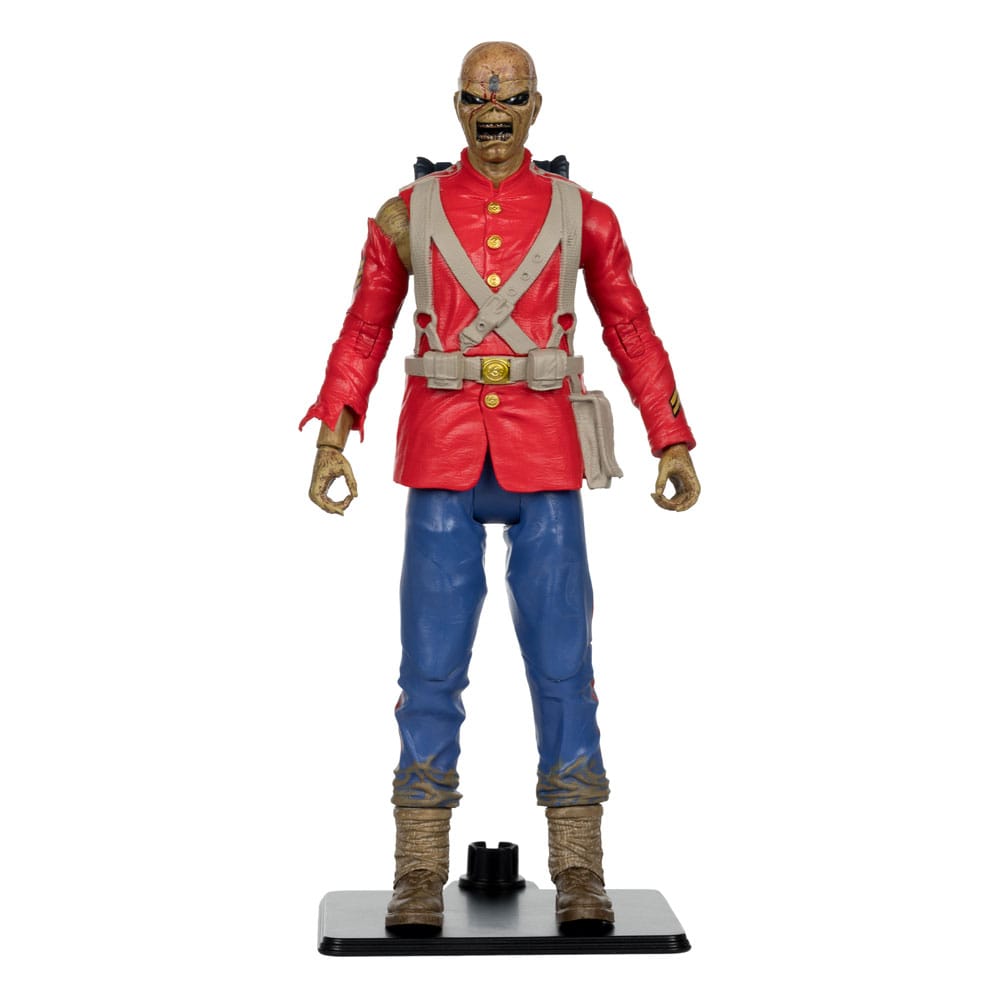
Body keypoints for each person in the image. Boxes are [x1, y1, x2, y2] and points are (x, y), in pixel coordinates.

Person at [302, 41, 700, 933]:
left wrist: (670, 437)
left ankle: (580, 865)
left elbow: (632, 329)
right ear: (458, 106)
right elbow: (364, 328)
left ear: (534, 108)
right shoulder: (406, 215)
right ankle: (417, 868)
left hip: (546, 454)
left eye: (512, 100)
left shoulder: (583, 216)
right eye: (481, 100)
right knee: (428, 666)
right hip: (441, 454)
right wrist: (333, 433)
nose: (496, 114)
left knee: (565, 666)